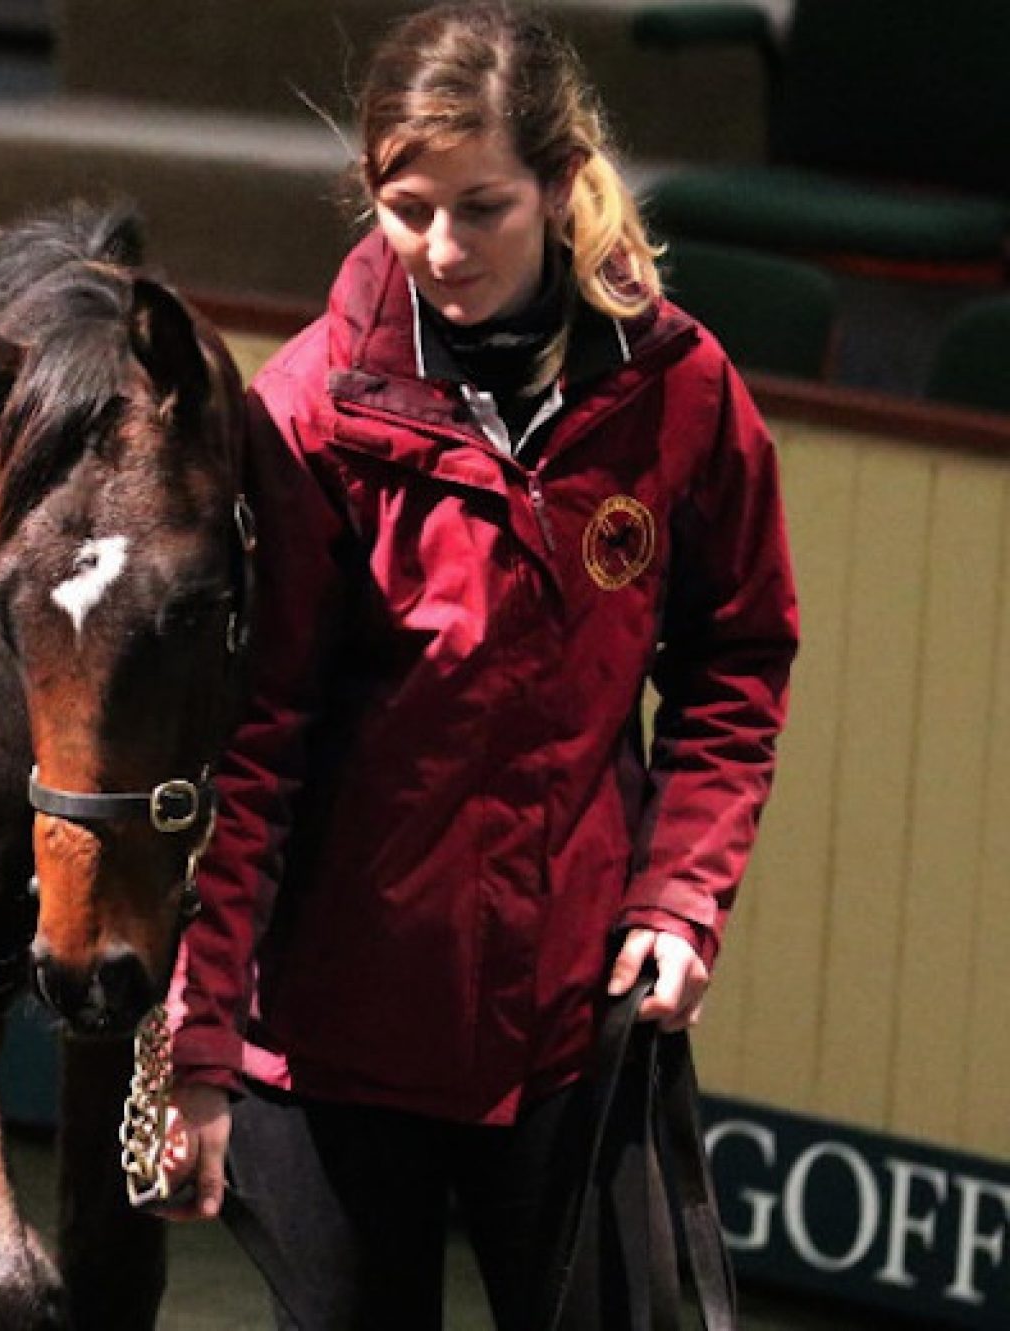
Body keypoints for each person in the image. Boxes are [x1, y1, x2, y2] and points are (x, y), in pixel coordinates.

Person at [152, 3, 798, 1327]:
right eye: (406, 208)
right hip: (328, 1051)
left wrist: (678, 897)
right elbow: (253, 744)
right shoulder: (309, 410)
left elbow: (737, 655)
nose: (442, 250)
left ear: (562, 188)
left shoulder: (679, 387)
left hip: (570, 1031)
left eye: (483, 207)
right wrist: (202, 1047)